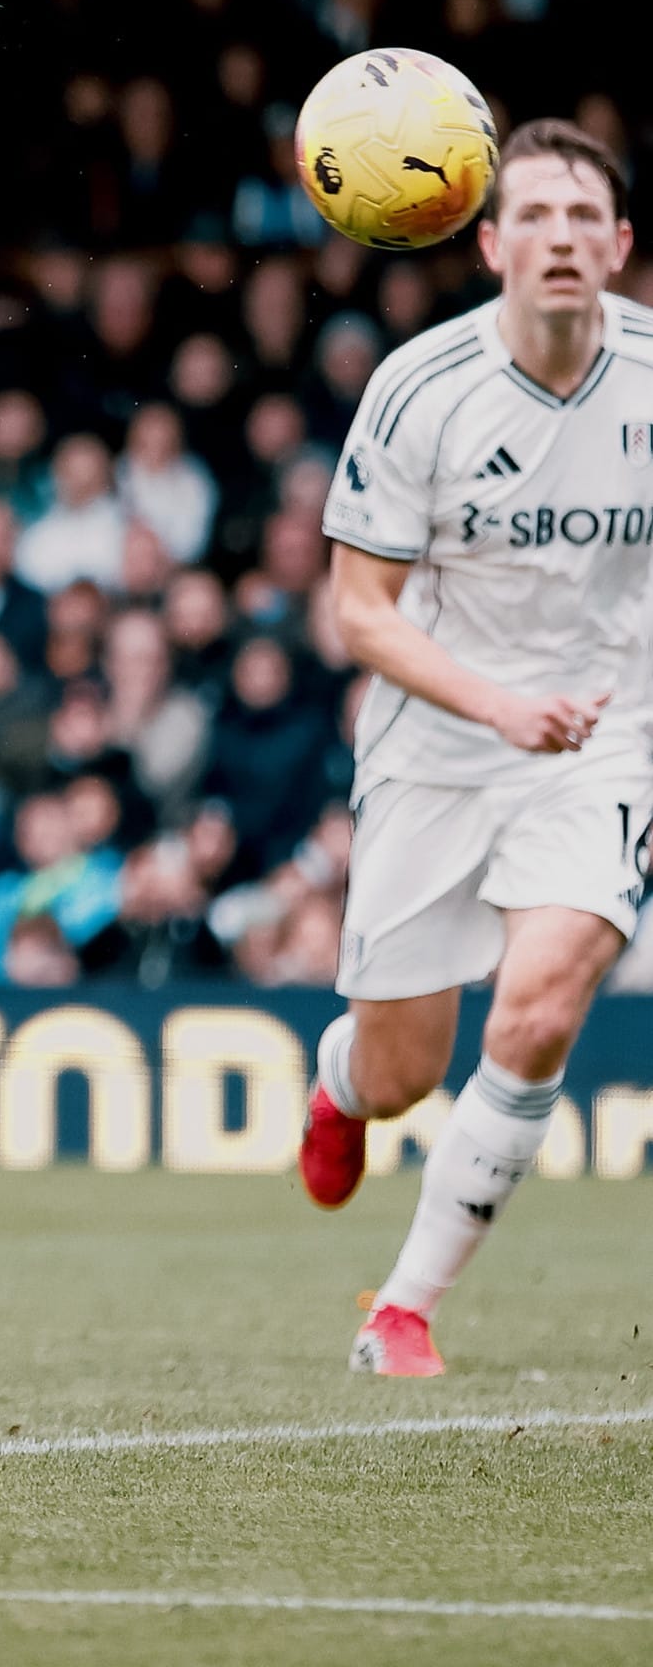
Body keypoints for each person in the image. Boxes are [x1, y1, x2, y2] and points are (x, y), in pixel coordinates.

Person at [303, 119, 653, 1376]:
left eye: (584, 220)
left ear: (618, 247)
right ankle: (340, 1083)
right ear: (491, 241)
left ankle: (402, 1307)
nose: (561, 238)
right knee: (405, 1067)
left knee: (541, 1006)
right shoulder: (421, 388)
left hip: (609, 746)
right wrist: (498, 706)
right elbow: (358, 611)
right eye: (537, 217)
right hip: (438, 742)